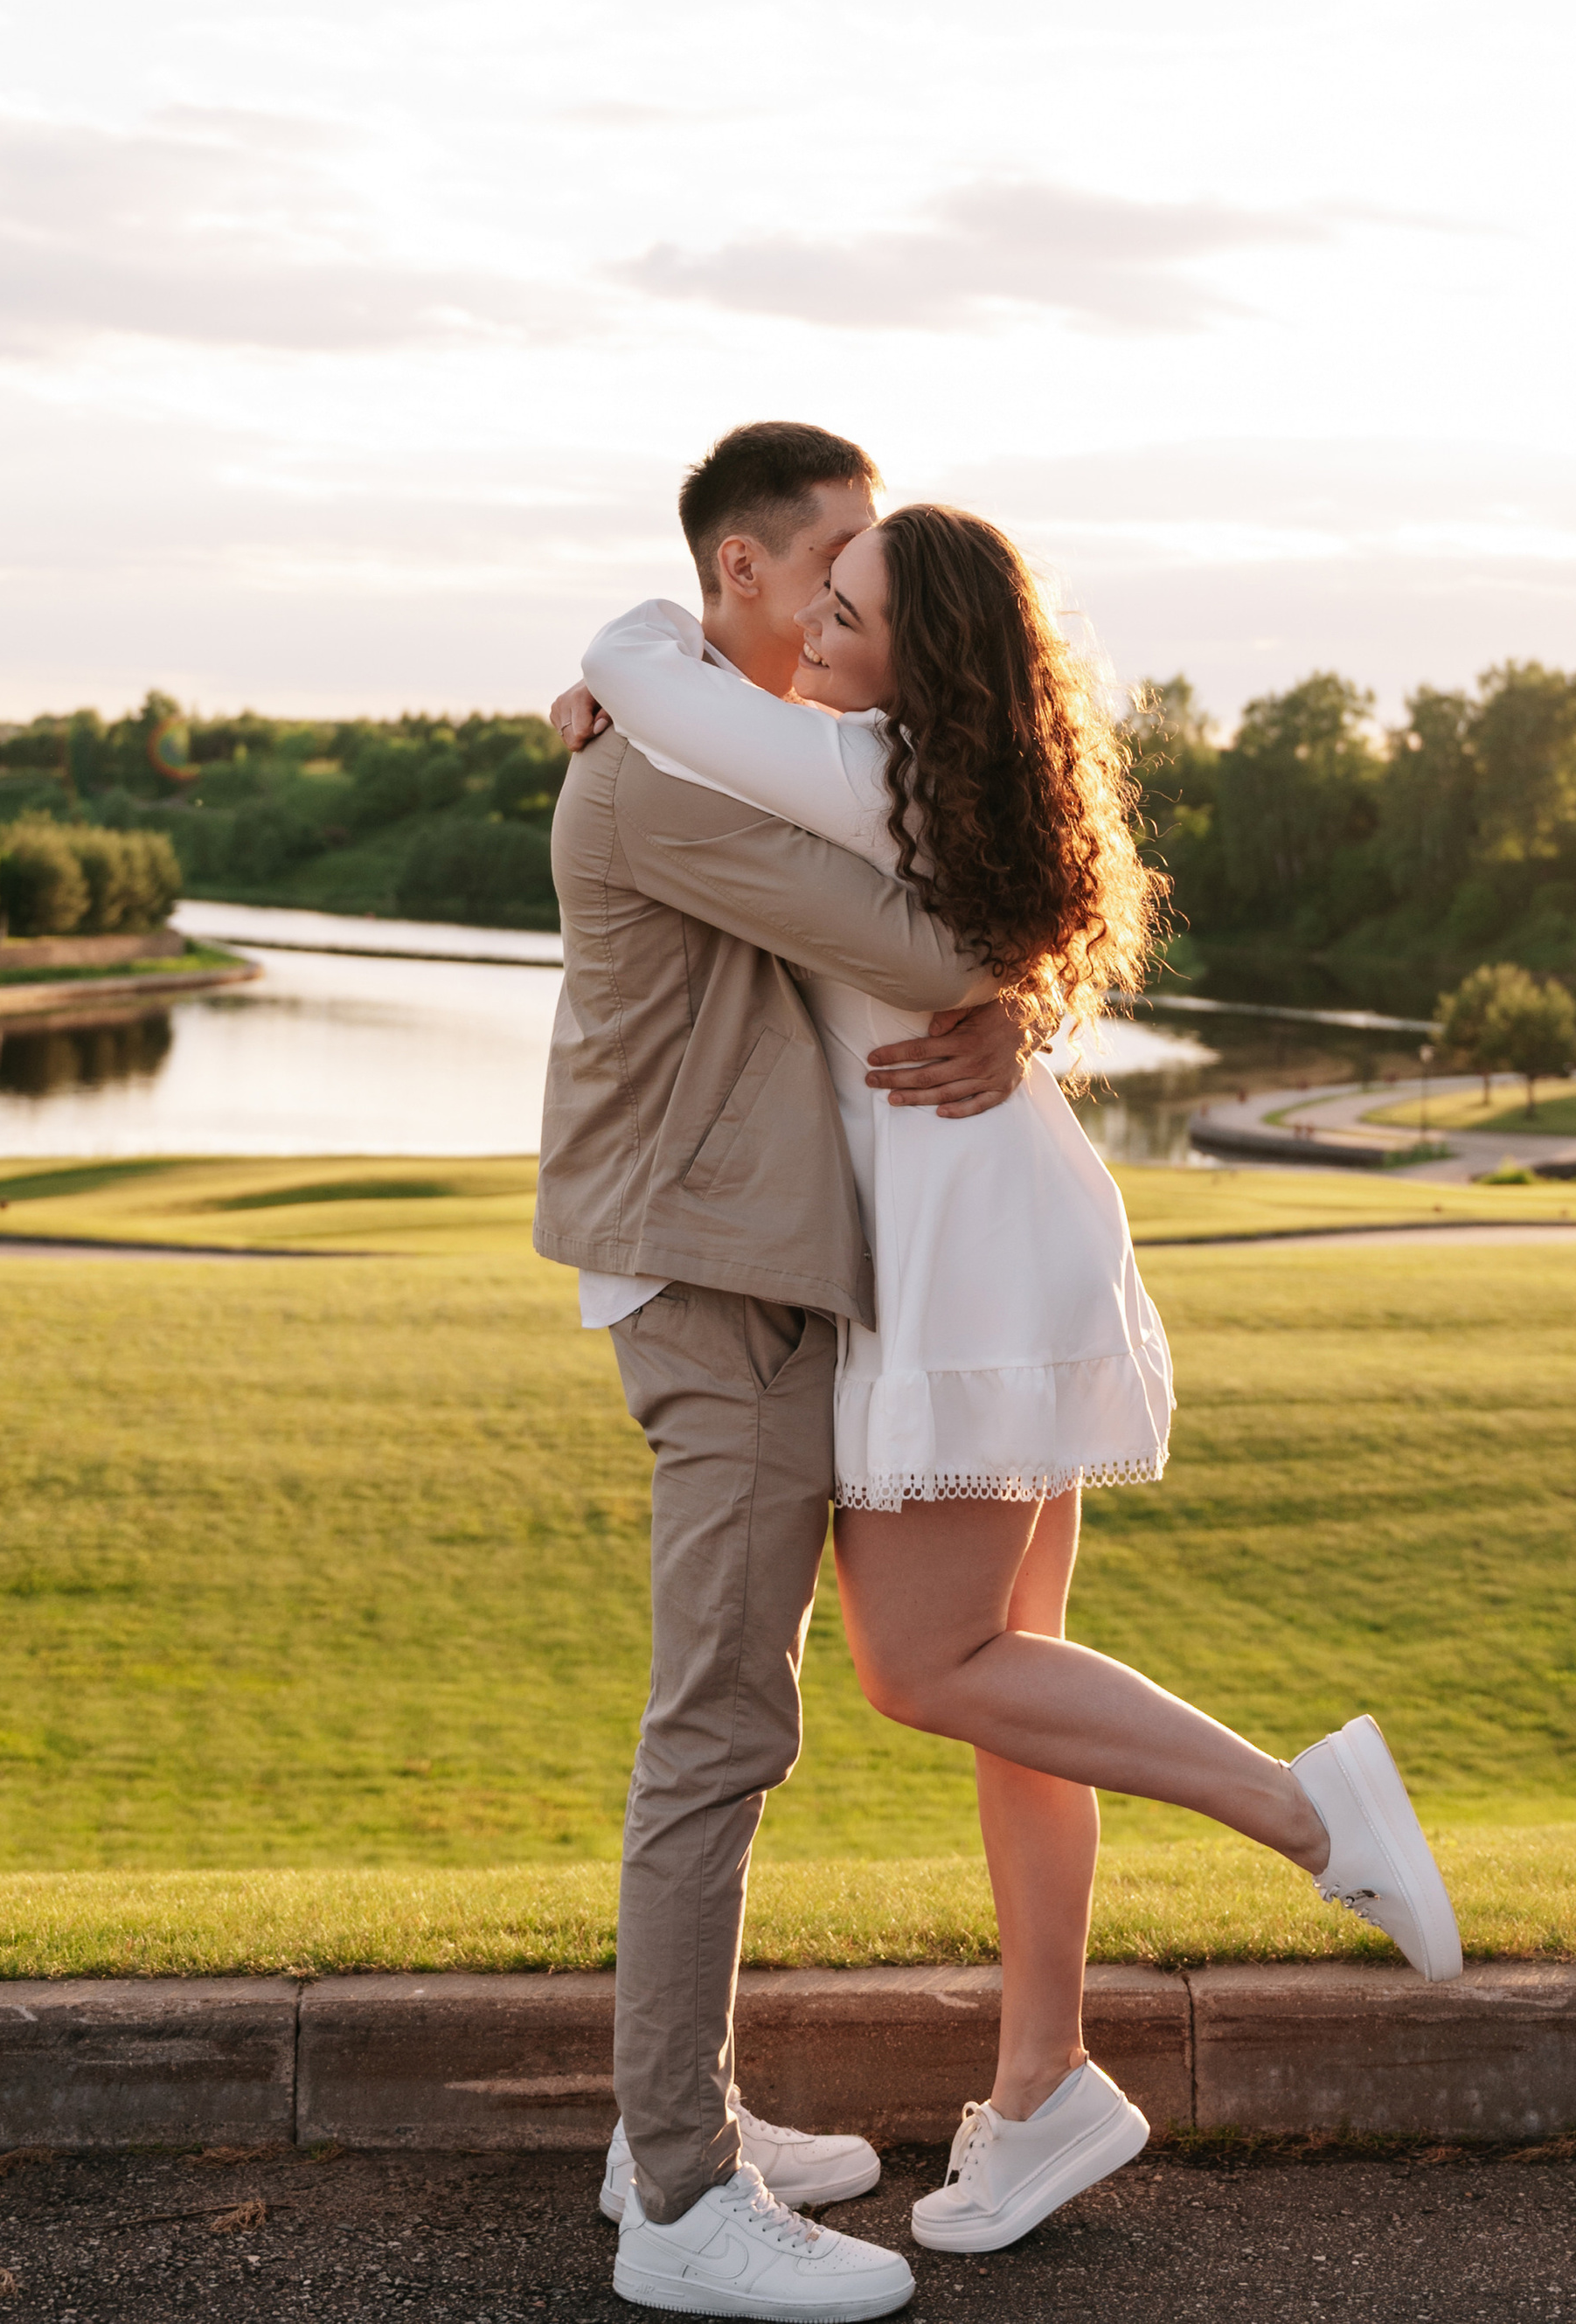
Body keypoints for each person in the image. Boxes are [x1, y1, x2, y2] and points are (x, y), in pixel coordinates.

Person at [573, 499, 1463, 2265]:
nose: (816, 623)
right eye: (813, 591)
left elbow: (644, 678)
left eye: (848, 604)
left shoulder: (857, 756)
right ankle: (1045, 2076)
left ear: (925, 658)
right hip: (1003, 1217)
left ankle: (1311, 1809)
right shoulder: (951, 768)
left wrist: (607, 661)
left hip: (963, 1249)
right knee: (1015, 1687)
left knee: (928, 1663)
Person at [536, 422, 1039, 2324]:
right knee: (717, 1730)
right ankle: (676, 2194)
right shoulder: (659, 761)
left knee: (735, 1718)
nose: (851, 591)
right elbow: (935, 938)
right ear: (735, 575)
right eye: (828, 559)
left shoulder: (675, 724)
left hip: (730, 1271)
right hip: (714, 1280)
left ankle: (662, 2118)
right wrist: (992, 994)